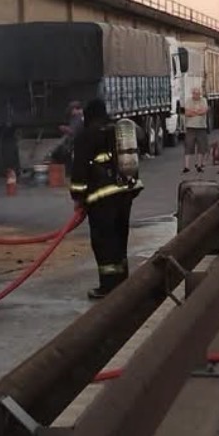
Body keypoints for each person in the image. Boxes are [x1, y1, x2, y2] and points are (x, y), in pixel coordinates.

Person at [69, 99, 145, 299]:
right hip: (125, 194)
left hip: (102, 198)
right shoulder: (116, 130)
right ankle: (122, 281)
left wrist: (78, 197)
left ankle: (108, 287)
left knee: (104, 242)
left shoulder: (85, 136)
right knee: (120, 238)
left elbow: (79, 170)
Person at [182, 87, 210, 173]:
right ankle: (186, 166)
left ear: (200, 94)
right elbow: (187, 113)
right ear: (192, 94)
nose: (196, 95)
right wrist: (198, 112)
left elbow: (204, 111)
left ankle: (199, 165)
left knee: (201, 147)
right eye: (194, 93)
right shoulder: (188, 101)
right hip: (190, 127)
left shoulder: (203, 100)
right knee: (188, 146)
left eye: (198, 93)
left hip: (201, 127)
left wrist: (193, 112)